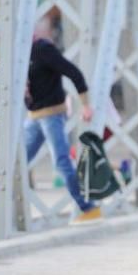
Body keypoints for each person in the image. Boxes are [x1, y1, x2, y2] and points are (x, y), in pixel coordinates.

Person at [24, 21, 100, 223]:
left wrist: (85, 105)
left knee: (61, 162)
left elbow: (74, 73)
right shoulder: (18, 54)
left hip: (51, 115)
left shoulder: (43, 49)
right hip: (32, 117)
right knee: (16, 161)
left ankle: (88, 208)